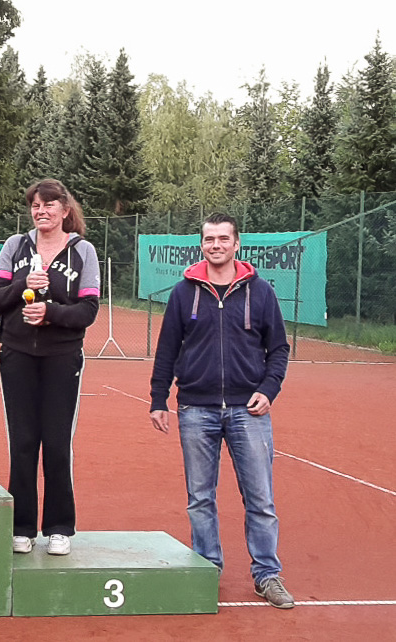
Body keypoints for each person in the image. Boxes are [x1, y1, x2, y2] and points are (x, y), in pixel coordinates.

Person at [149, 212, 293, 609]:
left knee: (260, 499)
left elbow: (279, 348)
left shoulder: (260, 292)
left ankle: (267, 574)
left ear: (236, 243)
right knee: (200, 497)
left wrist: (269, 390)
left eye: (223, 239)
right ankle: (207, 569)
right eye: (209, 239)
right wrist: (159, 399)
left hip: (250, 410)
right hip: (196, 408)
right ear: (202, 245)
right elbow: (167, 349)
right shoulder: (183, 292)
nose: (216, 245)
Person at [0, 179, 100, 556]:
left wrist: (50, 313)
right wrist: (23, 283)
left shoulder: (83, 251)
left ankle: (58, 527)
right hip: (17, 353)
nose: (41, 211)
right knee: (22, 443)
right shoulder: (14, 246)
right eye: (36, 205)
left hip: (62, 357)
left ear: (65, 211)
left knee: (56, 443)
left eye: (49, 205)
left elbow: (88, 310)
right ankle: (21, 527)